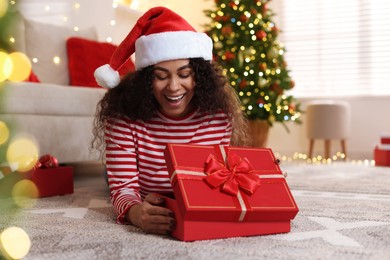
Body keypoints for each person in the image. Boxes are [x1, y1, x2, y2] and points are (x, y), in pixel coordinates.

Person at [92, 6, 249, 236]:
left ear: (199, 76)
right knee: (111, 179)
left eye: (184, 75)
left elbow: (217, 177)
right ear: (146, 80)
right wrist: (136, 213)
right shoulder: (123, 116)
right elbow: (124, 189)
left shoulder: (217, 116)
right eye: (161, 76)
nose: (174, 87)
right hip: (142, 185)